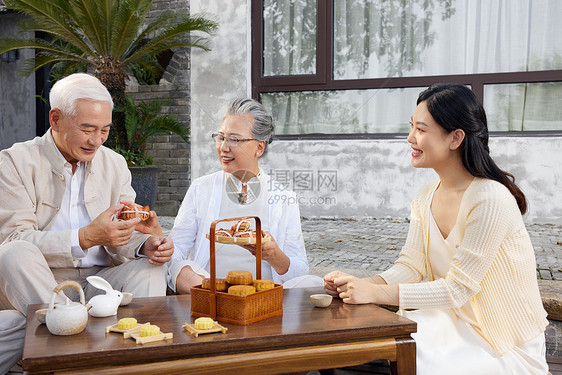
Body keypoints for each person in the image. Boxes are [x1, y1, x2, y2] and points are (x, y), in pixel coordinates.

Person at [324, 84, 549, 374]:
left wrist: (377, 294)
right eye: (411, 127)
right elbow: (412, 265)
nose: (410, 138)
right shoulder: (425, 196)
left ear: (456, 138)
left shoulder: (490, 198)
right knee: (386, 346)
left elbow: (458, 289)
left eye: (421, 129)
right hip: (452, 324)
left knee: (410, 354)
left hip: (502, 342)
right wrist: (362, 283)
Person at [0, 73, 173, 373]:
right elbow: (15, 238)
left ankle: (133, 364)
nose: (97, 140)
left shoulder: (114, 164)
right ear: (55, 119)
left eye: (105, 130)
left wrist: (147, 244)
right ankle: (76, 354)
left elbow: (124, 236)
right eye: (87, 129)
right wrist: (85, 237)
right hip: (43, 282)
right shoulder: (14, 162)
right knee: (13, 253)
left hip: (101, 281)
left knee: (149, 269)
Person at [167, 98, 323, 293]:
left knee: (314, 283)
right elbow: (177, 250)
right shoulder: (201, 188)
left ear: (259, 147)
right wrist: (159, 244)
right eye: (221, 137)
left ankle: (246, 305)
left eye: (234, 139)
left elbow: (299, 270)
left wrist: (274, 255)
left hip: (264, 292)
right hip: (210, 287)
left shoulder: (283, 197)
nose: (223, 147)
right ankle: (221, 301)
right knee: (179, 269)